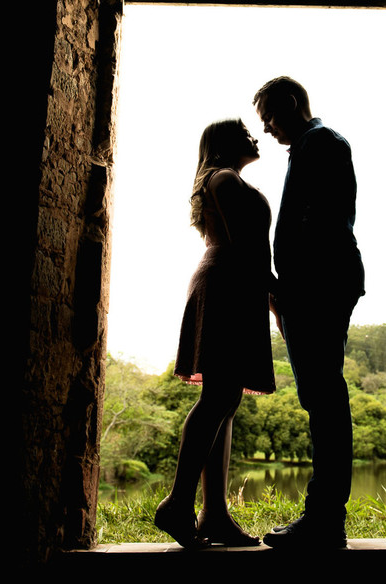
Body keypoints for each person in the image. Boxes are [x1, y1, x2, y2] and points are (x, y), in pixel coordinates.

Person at [153, 118, 278, 549]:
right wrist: (275, 291)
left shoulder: (228, 178)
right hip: (227, 282)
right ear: (224, 143)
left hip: (237, 284)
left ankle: (215, 514)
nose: (254, 137)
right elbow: (244, 244)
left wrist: (267, 295)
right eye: (244, 133)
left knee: (226, 400)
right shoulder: (223, 178)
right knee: (218, 397)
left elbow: (250, 248)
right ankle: (178, 503)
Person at [253, 76, 365, 550]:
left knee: (324, 399)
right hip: (314, 287)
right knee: (322, 398)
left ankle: (324, 520)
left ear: (292, 102)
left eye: (270, 117)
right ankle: (324, 518)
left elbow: (317, 224)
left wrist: (287, 290)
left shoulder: (320, 143)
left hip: (317, 287)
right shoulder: (310, 146)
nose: (267, 128)